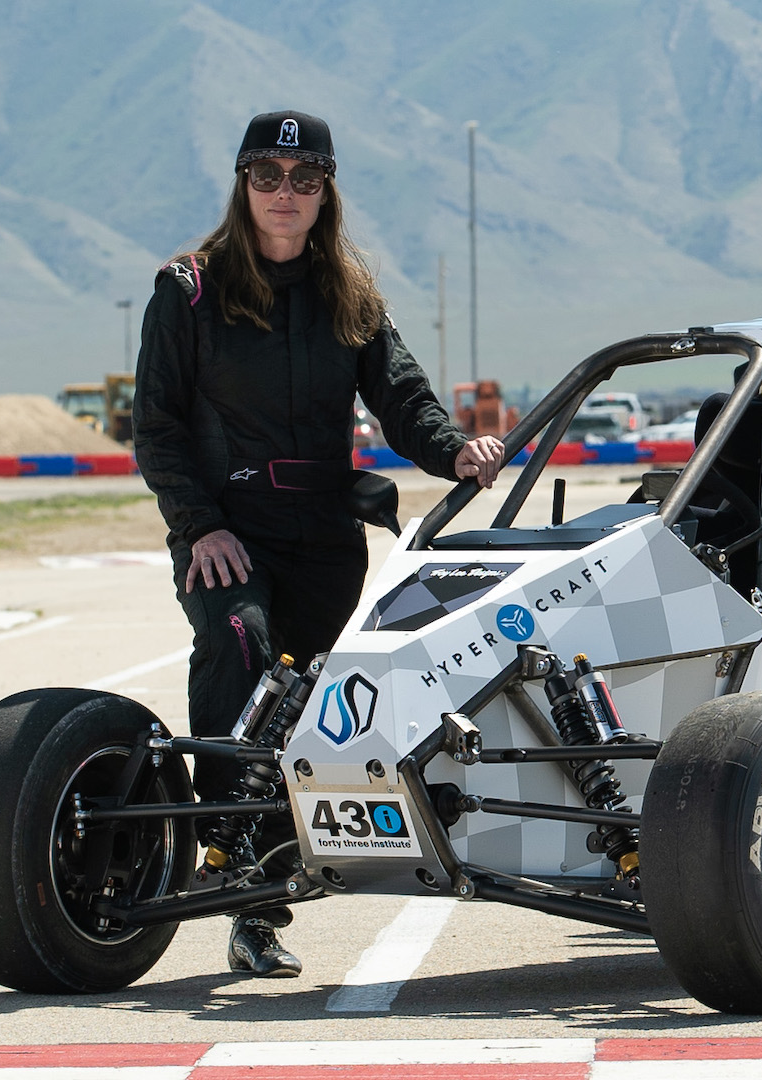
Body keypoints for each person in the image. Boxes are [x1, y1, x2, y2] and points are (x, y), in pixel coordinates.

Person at [133, 109, 505, 977]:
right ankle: (223, 863)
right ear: (242, 184)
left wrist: (454, 447)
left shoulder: (353, 293)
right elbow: (156, 428)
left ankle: (259, 906)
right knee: (242, 647)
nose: (285, 193)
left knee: (299, 706)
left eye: (304, 179)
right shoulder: (187, 288)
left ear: (326, 190)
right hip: (226, 535)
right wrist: (200, 527)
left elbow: (403, 397)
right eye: (267, 175)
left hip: (326, 541)